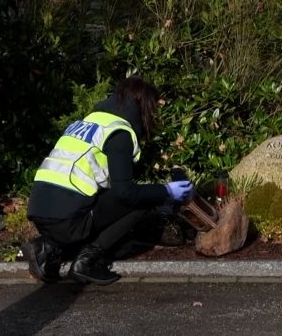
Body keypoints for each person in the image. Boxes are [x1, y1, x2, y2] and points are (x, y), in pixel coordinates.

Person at [22, 76, 194, 286]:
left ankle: (48, 247)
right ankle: (87, 261)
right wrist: (166, 191)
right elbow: (125, 193)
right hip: (67, 219)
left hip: (41, 210)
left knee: (106, 207)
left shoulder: (90, 122)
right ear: (143, 106)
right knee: (140, 201)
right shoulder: (118, 133)